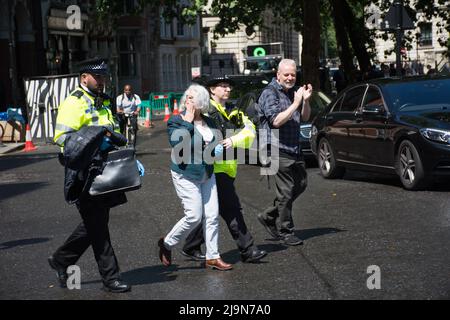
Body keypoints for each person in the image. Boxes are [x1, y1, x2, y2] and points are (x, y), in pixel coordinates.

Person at [49, 57, 131, 293]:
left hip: (103, 171)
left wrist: (123, 154)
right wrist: (96, 145)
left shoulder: (101, 101)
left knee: (94, 224)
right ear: (84, 77)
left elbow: (111, 131)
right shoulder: (73, 103)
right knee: (98, 228)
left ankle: (61, 260)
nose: (102, 81)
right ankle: (111, 278)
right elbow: (64, 141)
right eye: (97, 77)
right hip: (83, 174)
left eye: (104, 76)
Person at [180, 76, 268, 264]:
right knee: (232, 209)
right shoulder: (206, 110)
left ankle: (191, 245)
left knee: (212, 210)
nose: (227, 89)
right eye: (223, 86)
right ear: (212, 90)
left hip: (228, 167)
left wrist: (232, 140)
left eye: (228, 87)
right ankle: (248, 249)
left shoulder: (232, 110)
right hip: (212, 169)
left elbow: (250, 130)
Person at [158, 83, 233, 271]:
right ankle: (167, 243)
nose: (188, 100)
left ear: (202, 101)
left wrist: (219, 149)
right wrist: (189, 120)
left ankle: (213, 257)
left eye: (193, 97)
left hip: (207, 172)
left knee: (212, 215)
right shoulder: (176, 120)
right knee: (194, 216)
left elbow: (213, 147)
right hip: (186, 173)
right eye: (187, 97)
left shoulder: (210, 121)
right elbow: (178, 144)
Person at [257, 59, 312, 246]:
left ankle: (268, 215)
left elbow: (305, 116)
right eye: (286, 74)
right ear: (278, 75)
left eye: (293, 75)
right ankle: (286, 231)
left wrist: (305, 101)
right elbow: (276, 121)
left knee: (301, 184)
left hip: (294, 147)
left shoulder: (292, 93)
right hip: (276, 149)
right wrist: (296, 102)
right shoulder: (269, 93)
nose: (290, 78)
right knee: (286, 191)